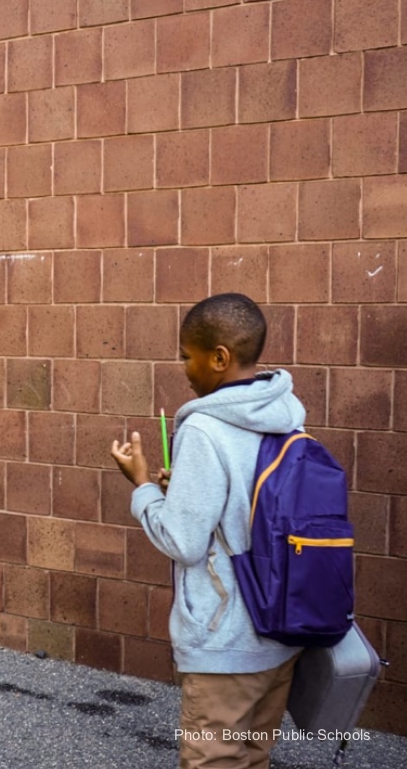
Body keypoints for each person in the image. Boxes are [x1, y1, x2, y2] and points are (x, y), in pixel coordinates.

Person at [109, 293, 306, 769]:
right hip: (281, 630)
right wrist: (186, 491)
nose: (182, 367)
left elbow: (183, 542)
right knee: (253, 758)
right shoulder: (285, 414)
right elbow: (249, 507)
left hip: (227, 643)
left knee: (215, 760)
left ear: (218, 357)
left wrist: (142, 488)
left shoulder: (205, 429)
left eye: (185, 355)